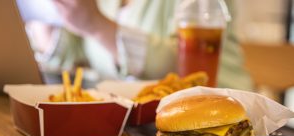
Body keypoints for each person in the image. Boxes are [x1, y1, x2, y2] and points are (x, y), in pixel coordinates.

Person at [26, 0, 253, 90]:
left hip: (221, 107)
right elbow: (75, 48)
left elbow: (188, 68)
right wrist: (42, 13)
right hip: (130, 131)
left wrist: (96, 24)